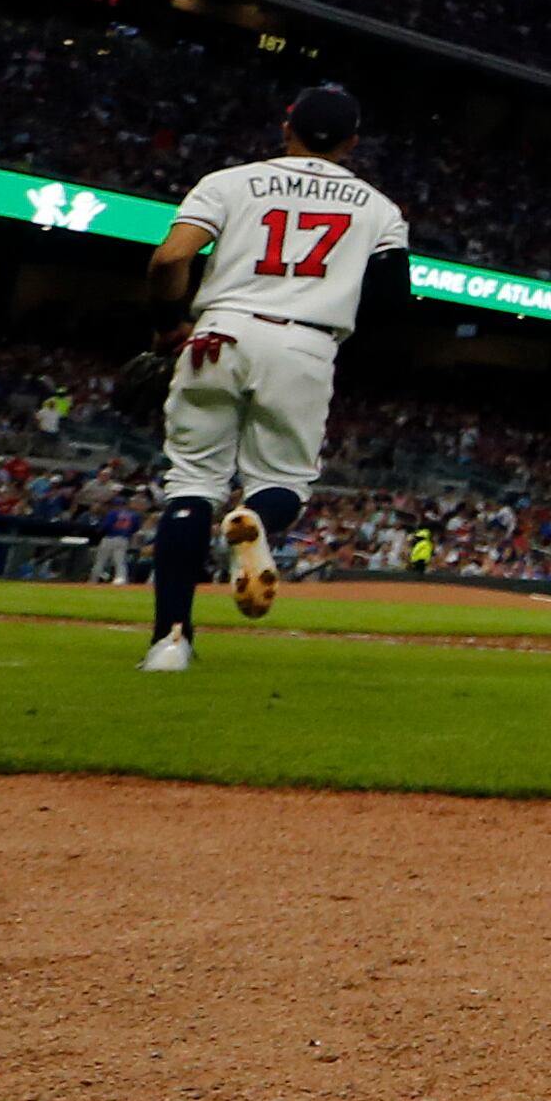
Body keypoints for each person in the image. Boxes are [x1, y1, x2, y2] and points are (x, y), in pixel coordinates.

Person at [133, 85, 412, 673]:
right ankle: (257, 520)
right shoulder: (379, 208)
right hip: (306, 341)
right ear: (353, 142)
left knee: (191, 486)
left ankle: (170, 644)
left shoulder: (229, 182)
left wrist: (166, 327)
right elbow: (392, 301)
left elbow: (169, 259)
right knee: (282, 482)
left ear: (286, 127)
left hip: (218, 332)